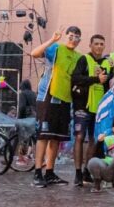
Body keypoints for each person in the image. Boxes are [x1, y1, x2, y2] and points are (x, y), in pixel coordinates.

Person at [30, 26, 82, 188]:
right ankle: (38, 172)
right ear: (66, 36)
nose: (73, 39)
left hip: (65, 100)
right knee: (44, 135)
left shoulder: (79, 57)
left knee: (55, 138)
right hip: (48, 97)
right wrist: (52, 39)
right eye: (71, 36)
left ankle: (50, 172)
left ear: (80, 40)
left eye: (76, 37)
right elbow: (35, 53)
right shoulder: (56, 48)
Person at [71, 34, 111, 186]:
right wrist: (95, 79)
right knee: (80, 137)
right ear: (90, 45)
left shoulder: (108, 63)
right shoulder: (83, 59)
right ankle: (77, 172)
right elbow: (75, 79)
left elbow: (108, 84)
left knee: (94, 139)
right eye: (96, 44)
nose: (99, 46)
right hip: (82, 106)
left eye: (102, 44)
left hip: (100, 109)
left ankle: (87, 171)